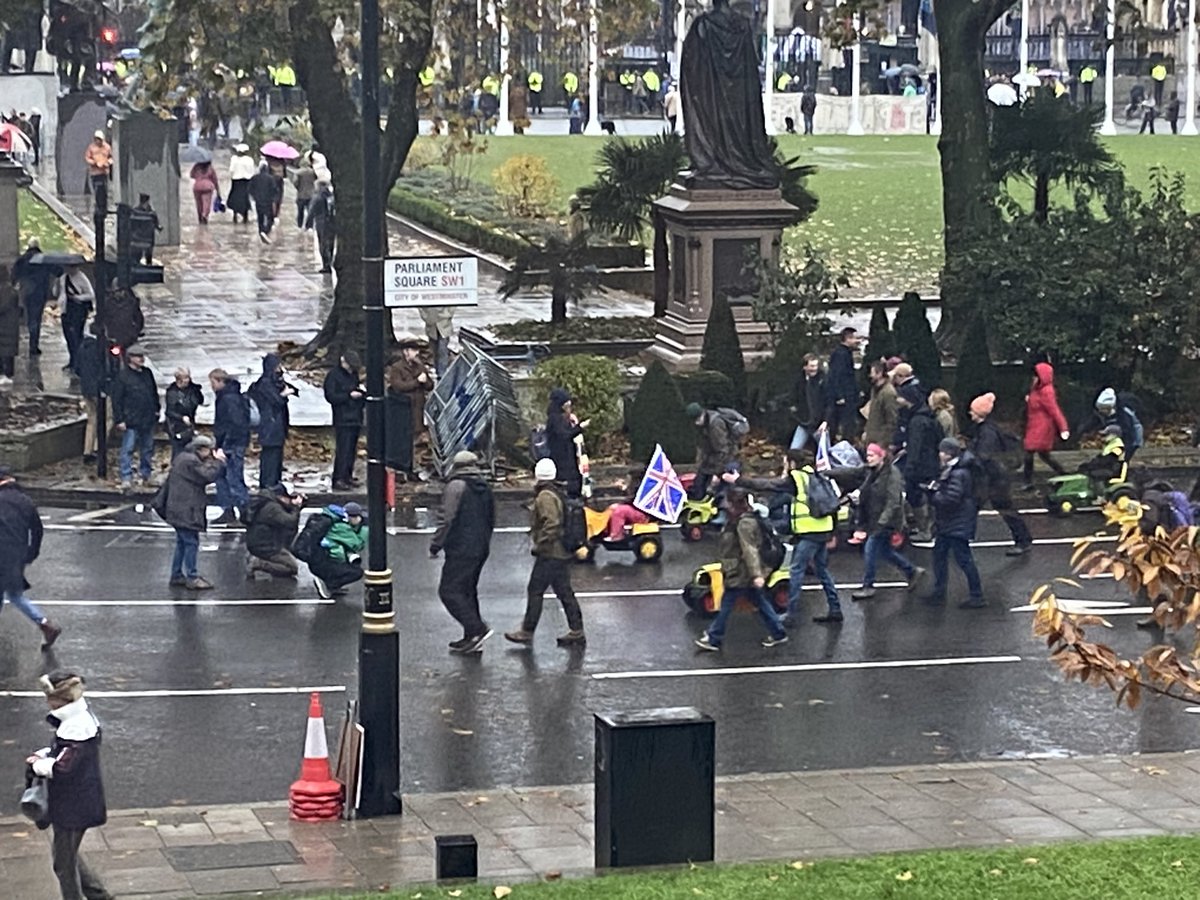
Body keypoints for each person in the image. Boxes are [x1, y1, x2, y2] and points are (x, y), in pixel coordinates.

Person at [728, 449, 843, 626]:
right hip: (823, 530)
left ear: (792, 463)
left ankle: (791, 614)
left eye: (786, 461)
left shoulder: (796, 479)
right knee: (821, 571)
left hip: (809, 533)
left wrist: (738, 480)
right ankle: (835, 609)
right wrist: (832, 532)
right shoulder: (817, 475)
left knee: (796, 571)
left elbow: (768, 485)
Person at [25, 671, 107, 900]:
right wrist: (45, 755)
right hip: (78, 803)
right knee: (68, 856)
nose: (46, 701)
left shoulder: (75, 728)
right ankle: (98, 895)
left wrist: (39, 765)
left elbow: (63, 768)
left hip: (73, 806)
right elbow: (65, 755)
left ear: (61, 699)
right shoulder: (79, 720)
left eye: (49, 696)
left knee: (63, 865)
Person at [694, 487, 789, 651]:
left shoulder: (743, 523)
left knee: (727, 603)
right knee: (759, 601)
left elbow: (749, 549)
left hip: (741, 571)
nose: (725, 506)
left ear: (734, 504)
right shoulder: (745, 519)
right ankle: (778, 633)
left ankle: (714, 637)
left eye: (728, 503)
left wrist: (756, 575)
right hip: (742, 570)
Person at [505, 459, 586, 647]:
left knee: (535, 590)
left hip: (551, 553)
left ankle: (527, 631)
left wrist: (540, 544)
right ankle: (577, 630)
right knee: (564, 591)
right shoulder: (556, 491)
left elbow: (552, 523)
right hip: (561, 552)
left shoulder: (545, 496)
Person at [430, 450, 495, 653]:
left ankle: (477, 628)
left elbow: (447, 519)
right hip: (480, 547)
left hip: (460, 548)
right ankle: (471, 638)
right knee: (467, 591)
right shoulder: (485, 487)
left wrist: (436, 544)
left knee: (448, 591)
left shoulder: (456, 487)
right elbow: (491, 518)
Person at [850, 444, 924, 599]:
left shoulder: (892, 474)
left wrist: (882, 522)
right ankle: (911, 571)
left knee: (870, 550)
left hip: (886, 521)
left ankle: (868, 585)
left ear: (881, 456)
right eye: (867, 455)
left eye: (871, 455)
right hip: (875, 519)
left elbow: (893, 502)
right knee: (885, 551)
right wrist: (827, 472)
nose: (868, 458)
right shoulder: (872, 471)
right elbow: (850, 472)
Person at [0, 467, 60, 648]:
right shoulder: (26, 501)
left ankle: (44, 624)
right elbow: (37, 529)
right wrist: (31, 552)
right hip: (17, 554)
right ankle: (44, 624)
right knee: (15, 594)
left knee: (9, 594)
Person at [967, 392, 1033, 556]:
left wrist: (969, 459)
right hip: (995, 477)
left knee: (1002, 508)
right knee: (975, 508)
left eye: (972, 411)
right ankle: (1023, 539)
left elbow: (984, 456)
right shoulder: (988, 428)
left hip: (994, 479)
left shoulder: (987, 431)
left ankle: (1023, 540)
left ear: (980, 413)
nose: (970, 413)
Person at [925, 438, 984, 609]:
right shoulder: (956, 469)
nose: (939, 454)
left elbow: (951, 498)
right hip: (951, 523)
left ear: (948, 453)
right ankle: (939, 591)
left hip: (956, 523)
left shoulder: (958, 473)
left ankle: (977, 595)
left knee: (963, 559)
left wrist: (933, 495)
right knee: (940, 556)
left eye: (941, 451)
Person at [162, 434, 226, 590]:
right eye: (209, 450)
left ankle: (177, 574)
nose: (210, 454)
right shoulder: (191, 462)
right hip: (185, 508)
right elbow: (208, 475)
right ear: (201, 449)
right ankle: (192, 576)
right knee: (191, 542)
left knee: (182, 542)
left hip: (177, 507)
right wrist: (219, 462)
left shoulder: (184, 458)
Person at [896, 380, 941, 541]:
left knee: (915, 494)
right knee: (930, 494)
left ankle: (925, 530)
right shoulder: (927, 417)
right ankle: (932, 527)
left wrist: (910, 467)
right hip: (930, 463)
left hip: (921, 466)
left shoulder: (916, 422)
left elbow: (915, 447)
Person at [111, 346, 160, 491]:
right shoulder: (123, 376)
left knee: (147, 448)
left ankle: (146, 474)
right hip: (131, 419)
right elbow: (117, 399)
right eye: (138, 356)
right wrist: (119, 419)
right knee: (128, 449)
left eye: (142, 356)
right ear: (130, 358)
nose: (141, 359)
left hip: (147, 417)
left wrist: (156, 409)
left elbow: (153, 392)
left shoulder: (147, 373)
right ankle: (126, 476)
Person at [385, 339, 432, 479]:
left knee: (414, 439)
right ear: (406, 352)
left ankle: (412, 467)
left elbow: (430, 385)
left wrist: (426, 380)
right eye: (413, 350)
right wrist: (417, 382)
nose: (416, 354)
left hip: (417, 408)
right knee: (403, 439)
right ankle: (403, 467)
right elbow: (398, 386)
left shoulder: (420, 366)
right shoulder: (397, 368)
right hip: (403, 409)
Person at [209, 368, 251, 524]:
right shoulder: (227, 396)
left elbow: (235, 424)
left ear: (220, 381)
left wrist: (224, 445)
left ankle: (245, 511)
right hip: (228, 443)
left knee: (233, 478)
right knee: (222, 478)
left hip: (231, 445)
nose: (211, 386)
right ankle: (228, 510)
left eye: (213, 382)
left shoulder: (229, 399)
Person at [249, 353, 295, 489]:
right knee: (270, 457)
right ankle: (268, 484)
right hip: (270, 425)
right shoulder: (264, 384)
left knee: (276, 457)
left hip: (277, 425)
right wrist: (284, 394)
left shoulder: (274, 381)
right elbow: (276, 401)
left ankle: (274, 482)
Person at [1021, 361, 1069, 490]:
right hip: (1035, 426)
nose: (1033, 378)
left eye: (1035, 376)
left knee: (1029, 452)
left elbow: (1054, 410)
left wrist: (1063, 427)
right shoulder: (1037, 389)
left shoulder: (1046, 391)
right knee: (1043, 455)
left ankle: (1027, 481)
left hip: (1041, 428)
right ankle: (1063, 474)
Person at [324, 351, 365, 491]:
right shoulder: (334, 376)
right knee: (343, 449)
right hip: (342, 418)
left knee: (351, 449)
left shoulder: (353, 375)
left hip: (355, 416)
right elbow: (331, 396)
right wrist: (348, 396)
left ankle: (347, 475)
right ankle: (339, 477)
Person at [245, 483, 303, 578]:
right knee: (291, 568)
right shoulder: (273, 508)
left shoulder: (268, 502)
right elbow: (290, 522)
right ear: (281, 497)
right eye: (290, 497)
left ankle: (257, 557)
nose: (292, 500)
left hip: (263, 542)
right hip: (266, 546)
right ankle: (258, 563)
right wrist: (296, 508)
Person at [310, 502, 368, 599]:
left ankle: (333, 586)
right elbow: (357, 545)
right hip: (324, 560)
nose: (359, 520)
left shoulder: (336, 522)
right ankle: (327, 583)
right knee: (356, 572)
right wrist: (364, 530)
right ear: (350, 517)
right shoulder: (341, 527)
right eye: (357, 517)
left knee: (351, 565)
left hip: (321, 558)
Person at [12, 236, 56, 355]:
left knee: (30, 317)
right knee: (36, 318)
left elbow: (14, 275)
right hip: (40, 293)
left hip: (27, 292)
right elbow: (57, 271)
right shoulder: (43, 259)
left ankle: (32, 341)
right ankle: (34, 344)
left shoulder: (22, 260)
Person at [687, 402, 737, 500]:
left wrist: (716, 473)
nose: (695, 423)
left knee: (720, 490)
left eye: (697, 419)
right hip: (712, 458)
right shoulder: (705, 423)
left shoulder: (716, 424)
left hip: (727, 459)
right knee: (699, 483)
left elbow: (723, 450)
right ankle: (697, 498)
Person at [546, 387, 588, 498]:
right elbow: (565, 435)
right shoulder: (554, 419)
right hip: (562, 457)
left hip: (568, 456)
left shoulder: (561, 418)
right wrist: (579, 427)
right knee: (569, 483)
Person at [1080, 387, 1143, 462]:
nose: (1101, 411)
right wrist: (1083, 430)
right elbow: (1093, 421)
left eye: (1104, 409)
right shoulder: (1100, 412)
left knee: (1131, 451)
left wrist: (1129, 447)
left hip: (1131, 433)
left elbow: (1128, 430)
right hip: (1116, 436)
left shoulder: (1124, 413)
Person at [821, 327, 860, 443]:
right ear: (847, 339)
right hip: (844, 395)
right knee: (845, 424)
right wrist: (840, 395)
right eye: (854, 338)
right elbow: (837, 375)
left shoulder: (844, 353)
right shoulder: (841, 354)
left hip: (847, 394)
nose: (857, 341)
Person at [59, 263, 93, 374]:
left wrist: (77, 297)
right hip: (66, 310)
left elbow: (91, 294)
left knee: (76, 337)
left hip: (78, 310)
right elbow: (59, 293)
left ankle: (78, 362)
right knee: (68, 336)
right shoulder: (63, 278)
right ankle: (72, 360)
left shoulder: (81, 278)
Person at [76, 323, 103, 464]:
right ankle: (99, 447)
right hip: (100, 389)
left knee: (91, 419)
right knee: (107, 417)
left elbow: (77, 368)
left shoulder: (82, 347)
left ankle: (88, 450)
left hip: (86, 389)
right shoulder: (100, 348)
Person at [163, 367, 203, 459]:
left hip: (189, 423)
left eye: (188, 378)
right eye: (184, 378)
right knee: (178, 450)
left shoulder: (191, 389)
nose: (187, 381)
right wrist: (181, 417)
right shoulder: (172, 392)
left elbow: (200, 400)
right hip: (175, 425)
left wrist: (196, 389)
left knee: (190, 449)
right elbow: (169, 411)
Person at [790, 353, 826, 450]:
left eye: (816, 366)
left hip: (820, 424)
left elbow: (828, 403)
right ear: (805, 367)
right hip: (805, 422)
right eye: (812, 366)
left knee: (825, 453)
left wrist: (826, 421)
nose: (814, 369)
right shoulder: (799, 381)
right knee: (794, 450)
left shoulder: (822, 380)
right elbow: (794, 398)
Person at [604, 468, 650, 541]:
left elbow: (633, 500)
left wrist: (625, 490)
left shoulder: (641, 488)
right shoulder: (635, 486)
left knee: (620, 511)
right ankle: (606, 531)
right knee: (612, 508)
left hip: (642, 514)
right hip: (635, 510)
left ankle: (617, 535)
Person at [862, 360, 899, 448]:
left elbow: (891, 419)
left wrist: (884, 441)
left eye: (872, 373)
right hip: (871, 438)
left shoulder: (888, 393)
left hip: (880, 442)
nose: (870, 376)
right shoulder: (874, 390)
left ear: (880, 373)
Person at [305, 180, 336, 273]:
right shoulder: (331, 196)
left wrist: (308, 224)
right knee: (330, 243)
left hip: (321, 222)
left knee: (322, 243)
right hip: (332, 222)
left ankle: (326, 265)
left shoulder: (317, 197)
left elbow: (311, 210)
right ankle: (330, 261)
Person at [419, 306, 454, 376]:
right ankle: (436, 371)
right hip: (431, 324)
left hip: (444, 324)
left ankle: (442, 374)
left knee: (442, 350)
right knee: (433, 350)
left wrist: (448, 314)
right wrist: (426, 316)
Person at [227, 143, 255, 224]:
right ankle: (245, 216)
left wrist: (232, 176)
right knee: (245, 197)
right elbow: (251, 171)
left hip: (236, 180)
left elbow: (231, 170)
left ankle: (235, 215)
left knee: (235, 197)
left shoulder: (234, 159)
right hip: (246, 180)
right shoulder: (249, 160)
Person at [249, 162, 277, 242]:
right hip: (268, 201)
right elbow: (274, 190)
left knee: (260, 217)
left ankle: (261, 231)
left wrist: (254, 197)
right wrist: (273, 199)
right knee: (270, 218)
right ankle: (265, 231)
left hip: (258, 201)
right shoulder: (271, 179)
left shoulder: (255, 178)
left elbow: (250, 189)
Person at [83, 130, 112, 206]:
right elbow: (87, 158)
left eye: (99, 139)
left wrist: (107, 163)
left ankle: (104, 204)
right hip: (95, 173)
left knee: (104, 190)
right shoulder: (91, 148)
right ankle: (98, 203)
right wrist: (94, 163)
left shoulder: (107, 147)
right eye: (96, 139)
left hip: (104, 172)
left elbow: (111, 158)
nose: (98, 141)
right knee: (96, 189)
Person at [0, 265, 18, 384]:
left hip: (5, 323)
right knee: (7, 348)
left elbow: (2, 307)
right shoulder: (11, 290)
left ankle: (6, 373)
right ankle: (6, 373)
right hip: (9, 323)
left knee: (5, 349)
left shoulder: (6, 291)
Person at [133, 194, 162, 264]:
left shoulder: (135, 211)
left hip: (138, 237)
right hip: (148, 238)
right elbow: (157, 225)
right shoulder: (151, 213)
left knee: (137, 255)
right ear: (147, 202)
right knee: (148, 255)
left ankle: (137, 264)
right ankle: (148, 264)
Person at [189, 160, 220, 225]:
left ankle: (200, 218)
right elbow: (215, 180)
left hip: (197, 187)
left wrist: (198, 176)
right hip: (208, 187)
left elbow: (191, 175)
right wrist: (218, 191)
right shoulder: (210, 168)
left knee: (199, 204)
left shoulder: (196, 167)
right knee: (206, 203)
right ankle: (205, 215)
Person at [291, 161, 317, 228]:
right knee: (310, 212)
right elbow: (316, 180)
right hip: (311, 195)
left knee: (300, 212)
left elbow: (295, 182)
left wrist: (298, 188)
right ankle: (309, 226)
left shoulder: (298, 172)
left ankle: (299, 225)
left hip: (301, 195)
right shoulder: (313, 172)